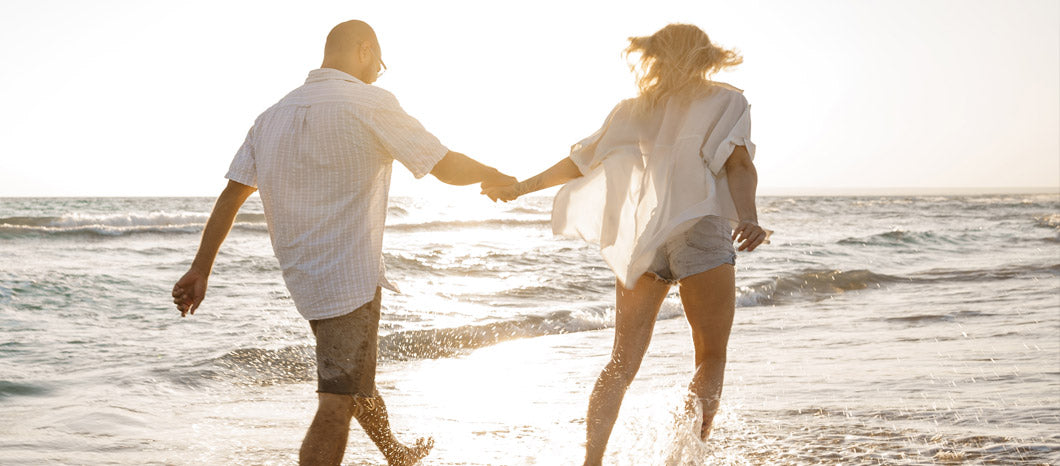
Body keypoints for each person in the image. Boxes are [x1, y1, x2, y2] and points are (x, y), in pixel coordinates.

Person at [171, 20, 515, 466]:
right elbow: (442, 165)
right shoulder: (371, 102)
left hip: (304, 280)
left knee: (352, 378)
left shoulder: (271, 115)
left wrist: (201, 269)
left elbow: (232, 195)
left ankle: (396, 454)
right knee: (335, 402)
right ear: (364, 50)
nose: (378, 73)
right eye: (380, 63)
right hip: (349, 280)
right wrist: (496, 176)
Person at [483, 23, 768, 465]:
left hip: (647, 237)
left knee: (620, 363)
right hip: (700, 229)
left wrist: (521, 187)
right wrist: (748, 218)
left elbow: (580, 161)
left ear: (655, 56)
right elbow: (739, 166)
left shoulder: (632, 110)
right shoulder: (726, 100)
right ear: (705, 56)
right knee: (710, 356)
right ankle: (683, 456)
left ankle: (592, 461)